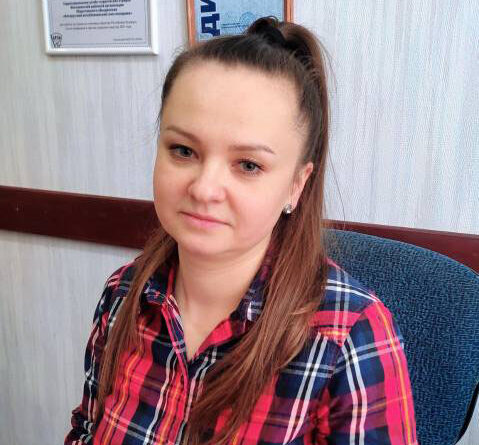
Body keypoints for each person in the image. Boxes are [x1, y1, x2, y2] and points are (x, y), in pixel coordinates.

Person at [64, 16, 417, 445]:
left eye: (248, 165)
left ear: (296, 185)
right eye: (183, 150)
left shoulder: (350, 335)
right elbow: (86, 430)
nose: (204, 188)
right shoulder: (123, 294)